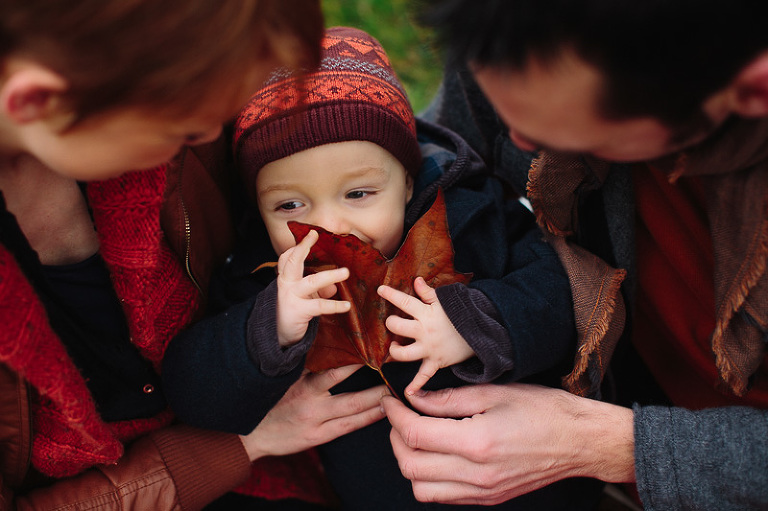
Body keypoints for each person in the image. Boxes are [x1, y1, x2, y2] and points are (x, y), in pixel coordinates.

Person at [162, 26, 604, 510]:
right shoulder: (267, 274)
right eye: (289, 203)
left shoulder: (469, 218)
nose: (330, 223)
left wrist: (474, 324)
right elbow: (193, 393)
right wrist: (268, 329)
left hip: (532, 488)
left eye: (358, 193)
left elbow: (561, 301)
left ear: (409, 183)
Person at [381, 1, 768, 510]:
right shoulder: (520, 31)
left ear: (751, 91)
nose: (518, 142)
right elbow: (450, 159)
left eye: (553, 136)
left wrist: (609, 447)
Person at [0, 2, 388, 509]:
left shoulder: (149, 84)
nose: (210, 135)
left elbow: (347, 139)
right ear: (35, 103)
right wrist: (240, 445)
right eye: (181, 126)